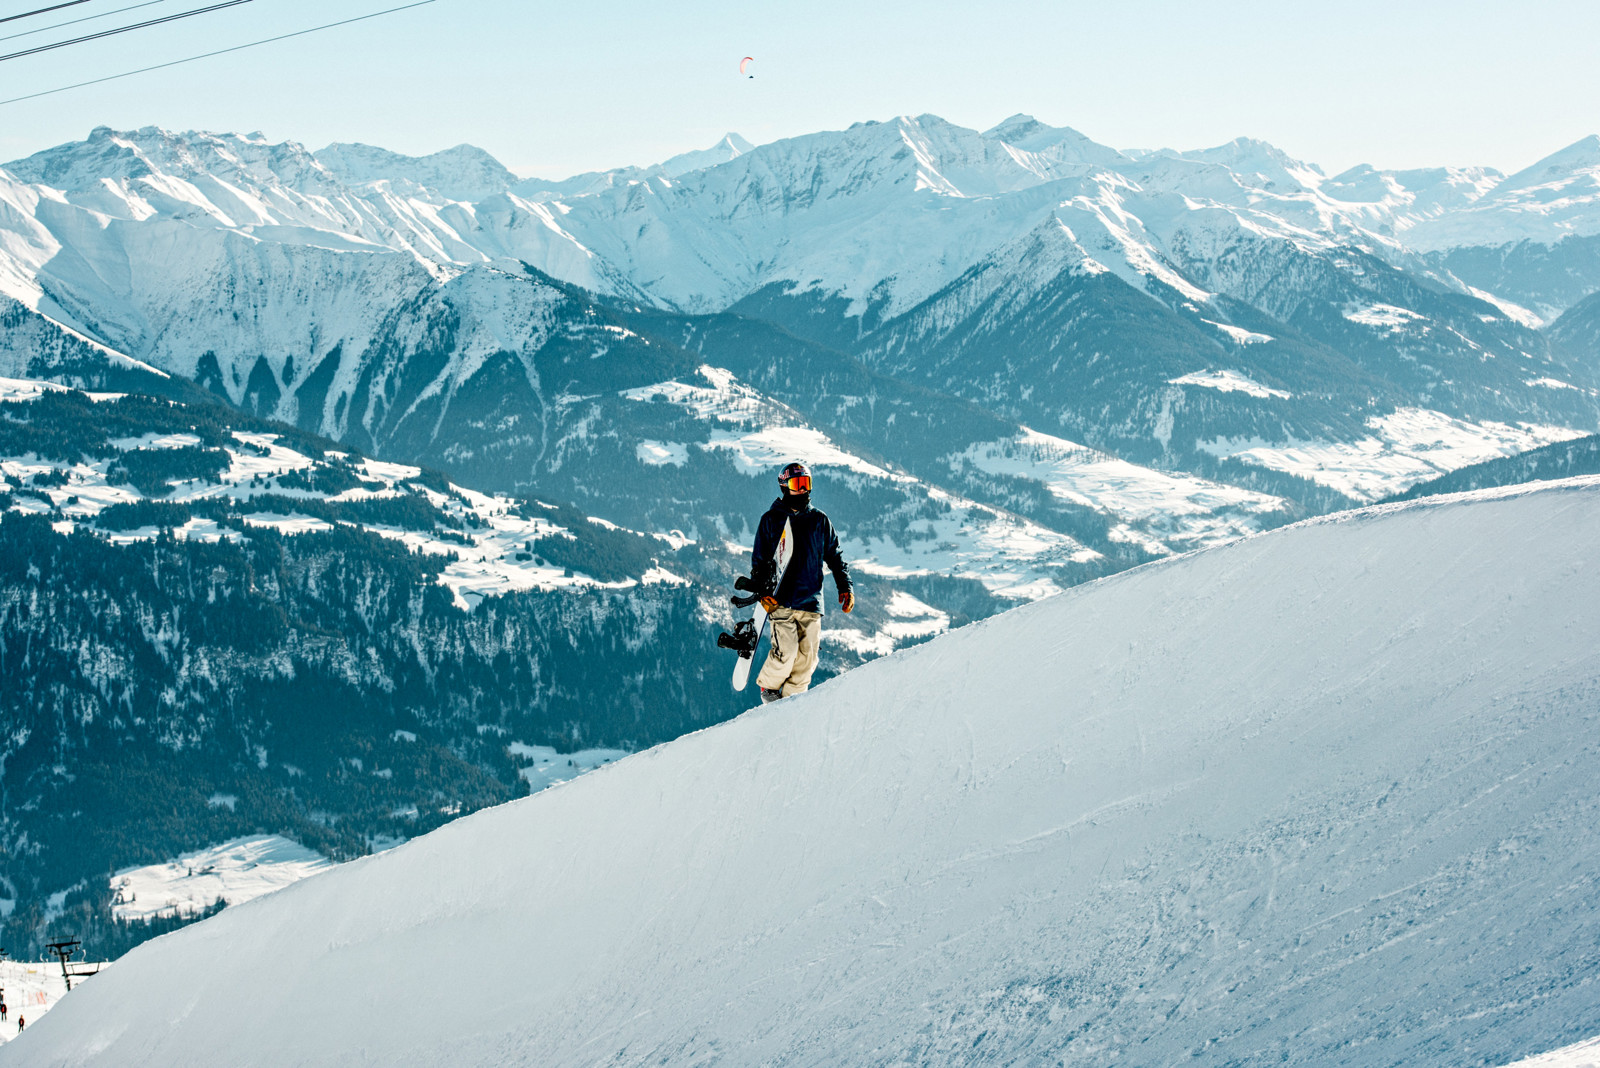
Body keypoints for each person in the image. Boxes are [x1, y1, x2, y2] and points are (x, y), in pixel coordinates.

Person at [751, 461, 854, 703]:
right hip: (782, 601)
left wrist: (845, 586)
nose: (803, 490)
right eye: (797, 485)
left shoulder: (819, 520)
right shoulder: (771, 520)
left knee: (807, 660)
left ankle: (791, 703)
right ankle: (769, 687)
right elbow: (759, 560)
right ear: (784, 487)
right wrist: (762, 590)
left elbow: (835, 555)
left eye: (806, 484)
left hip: (811, 601)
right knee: (786, 651)